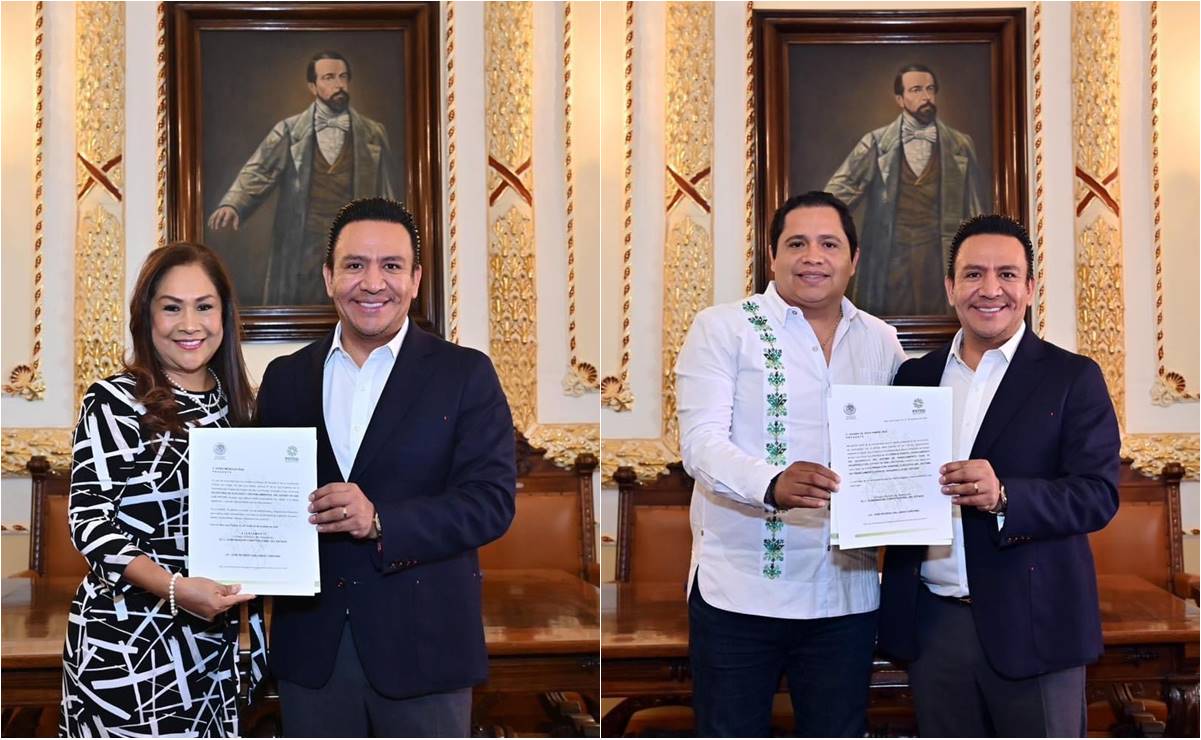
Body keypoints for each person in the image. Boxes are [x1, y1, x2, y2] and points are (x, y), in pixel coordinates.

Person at [255, 197, 517, 737]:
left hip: (426, 652)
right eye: (355, 265)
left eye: (391, 266)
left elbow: (491, 504)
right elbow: (266, 504)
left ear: (416, 279)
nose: (372, 282)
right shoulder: (284, 379)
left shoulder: (464, 374)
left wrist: (381, 520)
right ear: (329, 277)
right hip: (312, 655)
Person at [878, 214, 1120, 737]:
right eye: (973, 274)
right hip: (933, 624)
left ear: (1030, 288)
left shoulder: (1072, 377)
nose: (990, 289)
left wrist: (1006, 495)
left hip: (1036, 624)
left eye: (1008, 275)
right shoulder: (913, 378)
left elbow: (1098, 495)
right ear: (950, 287)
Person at [675, 191, 907, 737]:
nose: (813, 256)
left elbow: (901, 445)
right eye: (796, 243)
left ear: (854, 258)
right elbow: (699, 443)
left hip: (845, 595)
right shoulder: (722, 327)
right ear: (771, 256)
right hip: (741, 592)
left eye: (829, 244)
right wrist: (772, 482)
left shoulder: (882, 340)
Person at [61, 243, 265, 737]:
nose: (189, 324)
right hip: (128, 653)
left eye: (204, 306)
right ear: (146, 317)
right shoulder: (115, 401)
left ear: (225, 314)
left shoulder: (240, 409)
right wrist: (176, 589)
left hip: (216, 657)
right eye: (171, 307)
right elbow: (89, 524)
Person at [207, 50, 397, 306]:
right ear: (312, 86)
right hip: (301, 246)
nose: (338, 84)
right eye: (329, 78)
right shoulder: (289, 130)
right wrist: (233, 203)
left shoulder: (374, 133)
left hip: (356, 249)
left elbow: (386, 194)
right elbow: (259, 170)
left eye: (343, 77)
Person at [825, 63, 984, 315]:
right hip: (889, 258)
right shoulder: (876, 144)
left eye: (931, 89)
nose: (926, 97)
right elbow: (833, 198)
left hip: (940, 257)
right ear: (900, 99)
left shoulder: (961, 145)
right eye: (916, 90)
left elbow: (977, 213)